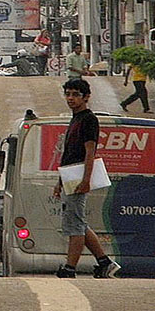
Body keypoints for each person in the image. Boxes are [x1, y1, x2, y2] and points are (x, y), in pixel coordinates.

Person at [53, 79, 121, 279]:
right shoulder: (75, 119)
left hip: (79, 178)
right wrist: (59, 182)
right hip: (69, 177)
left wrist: (86, 180)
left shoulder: (89, 120)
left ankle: (70, 268)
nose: (71, 98)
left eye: (75, 94)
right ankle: (104, 263)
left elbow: (90, 151)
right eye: (68, 94)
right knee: (79, 223)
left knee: (74, 225)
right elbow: (68, 154)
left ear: (86, 97)